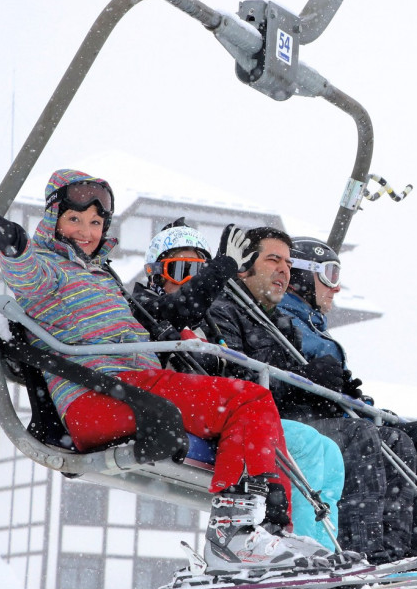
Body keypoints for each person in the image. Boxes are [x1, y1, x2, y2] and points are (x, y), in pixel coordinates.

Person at [0, 170, 330, 573]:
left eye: (96, 223)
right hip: (104, 395)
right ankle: (234, 534)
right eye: (74, 220)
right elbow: (26, 274)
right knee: (250, 397)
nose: (85, 231)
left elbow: (164, 315)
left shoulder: (98, 275)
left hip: (131, 388)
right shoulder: (49, 269)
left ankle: (270, 533)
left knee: (263, 423)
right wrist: (14, 242)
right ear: (53, 219)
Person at [204, 227, 417, 564]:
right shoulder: (226, 310)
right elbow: (235, 379)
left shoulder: (279, 324)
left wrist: (337, 392)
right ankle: (364, 555)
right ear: (245, 265)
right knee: (355, 438)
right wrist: (306, 382)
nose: (282, 270)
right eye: (273, 259)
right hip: (265, 420)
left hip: (290, 416)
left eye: (287, 263)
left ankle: (399, 557)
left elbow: (292, 383)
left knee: (400, 443)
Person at [133, 218, 346, 553]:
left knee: (329, 451)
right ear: (156, 273)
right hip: (196, 409)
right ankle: (273, 536)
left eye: (200, 271)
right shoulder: (148, 310)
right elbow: (220, 365)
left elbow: (235, 368)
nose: (192, 281)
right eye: (181, 270)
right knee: (301, 441)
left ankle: (323, 552)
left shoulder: (210, 321)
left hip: (225, 408)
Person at [281, 238, 417, 566]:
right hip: (309, 425)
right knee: (405, 438)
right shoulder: (279, 319)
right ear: (303, 275)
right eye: (330, 275)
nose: (337, 287)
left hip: (342, 417)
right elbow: (278, 377)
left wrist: (354, 398)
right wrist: (310, 381)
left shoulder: (314, 326)